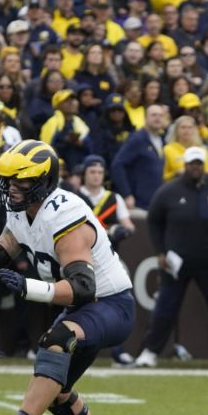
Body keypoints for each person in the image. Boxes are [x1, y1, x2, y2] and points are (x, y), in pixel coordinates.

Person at [0, 140, 135, 415]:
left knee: (57, 338)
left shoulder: (65, 214)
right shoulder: (20, 211)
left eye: (20, 181)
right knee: (58, 390)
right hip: (82, 308)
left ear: (43, 181)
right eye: (8, 179)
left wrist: (28, 287)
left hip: (111, 304)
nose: (11, 187)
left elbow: (83, 287)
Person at [135, 147, 208, 367]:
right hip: (177, 263)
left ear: (205, 165)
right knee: (165, 308)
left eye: (199, 163)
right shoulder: (168, 191)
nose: (195, 167)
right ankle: (150, 352)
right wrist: (161, 250)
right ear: (185, 164)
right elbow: (153, 221)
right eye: (192, 163)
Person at [77, 154, 136, 367]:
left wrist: (120, 231)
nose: (96, 176)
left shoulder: (113, 198)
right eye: (92, 172)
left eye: (99, 172)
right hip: (77, 259)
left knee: (115, 302)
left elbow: (129, 226)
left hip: (108, 260)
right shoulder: (74, 196)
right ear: (84, 174)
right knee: (75, 303)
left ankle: (118, 352)